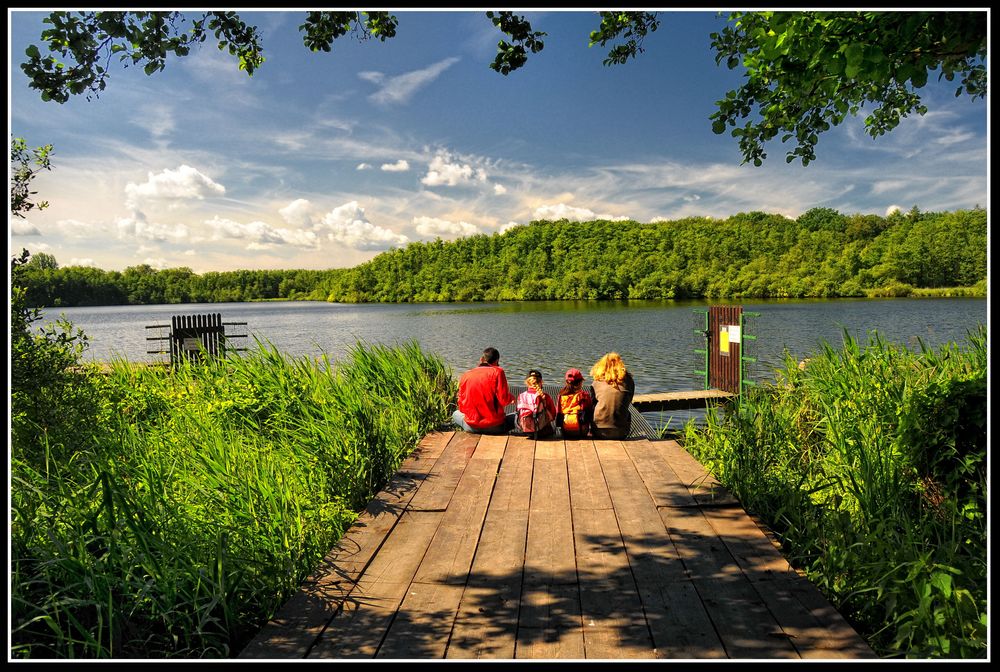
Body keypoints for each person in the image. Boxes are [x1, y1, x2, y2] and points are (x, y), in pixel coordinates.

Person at [452, 346, 515, 434]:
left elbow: (461, 405)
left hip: (470, 426)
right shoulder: (498, 372)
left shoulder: (466, 374)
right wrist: (512, 398)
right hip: (495, 427)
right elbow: (503, 400)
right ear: (497, 361)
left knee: (455, 413)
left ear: (481, 359)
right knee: (518, 416)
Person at [589, 352, 635, 439]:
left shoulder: (597, 381)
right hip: (621, 432)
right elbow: (629, 401)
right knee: (627, 412)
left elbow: (592, 404)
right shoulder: (628, 380)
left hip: (598, 431)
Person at [514, 369, 557, 438]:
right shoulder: (545, 396)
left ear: (527, 383)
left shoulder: (521, 396)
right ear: (541, 382)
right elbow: (553, 415)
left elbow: (518, 412)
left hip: (525, 430)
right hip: (542, 431)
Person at [557, 367, 594, 438]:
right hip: (581, 432)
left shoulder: (561, 395)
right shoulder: (584, 395)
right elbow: (590, 412)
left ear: (566, 382)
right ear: (580, 382)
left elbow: (558, 412)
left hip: (565, 431)